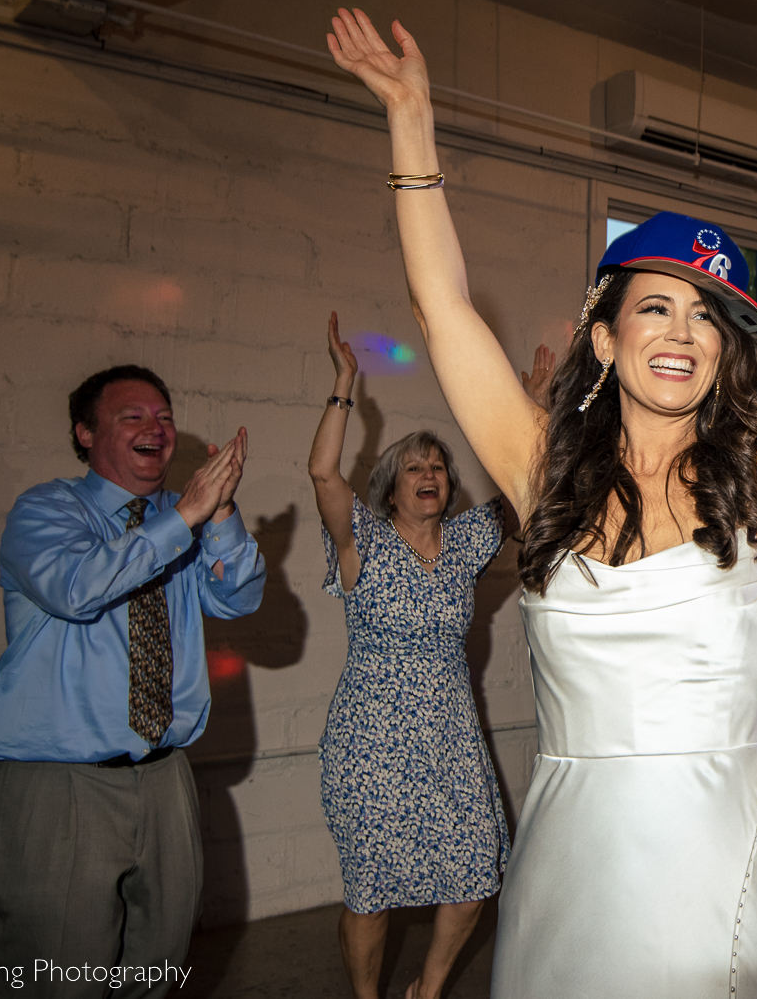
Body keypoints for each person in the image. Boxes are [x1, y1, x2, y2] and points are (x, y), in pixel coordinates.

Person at [325, 0, 757, 997]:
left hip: (723, 877)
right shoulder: (541, 469)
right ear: (604, 331)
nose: (683, 331)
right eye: (657, 305)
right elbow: (442, 305)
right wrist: (411, 119)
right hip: (566, 874)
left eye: (707, 315)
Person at [0, 365, 264, 996]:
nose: (157, 428)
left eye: (165, 417)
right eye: (134, 417)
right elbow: (77, 587)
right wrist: (185, 517)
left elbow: (239, 597)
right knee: (58, 981)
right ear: (84, 432)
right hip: (60, 789)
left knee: (158, 973)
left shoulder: (179, 522)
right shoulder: (45, 511)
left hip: (165, 779)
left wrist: (222, 510)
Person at [308, 312, 510, 999]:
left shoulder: (466, 544)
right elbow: (322, 472)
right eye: (415, 467)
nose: (429, 474)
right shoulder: (360, 539)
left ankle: (427, 988)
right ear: (391, 486)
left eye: (439, 468)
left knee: (476, 874)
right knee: (372, 889)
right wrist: (344, 383)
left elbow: (522, 488)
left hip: (452, 737)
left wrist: (533, 401)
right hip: (371, 740)